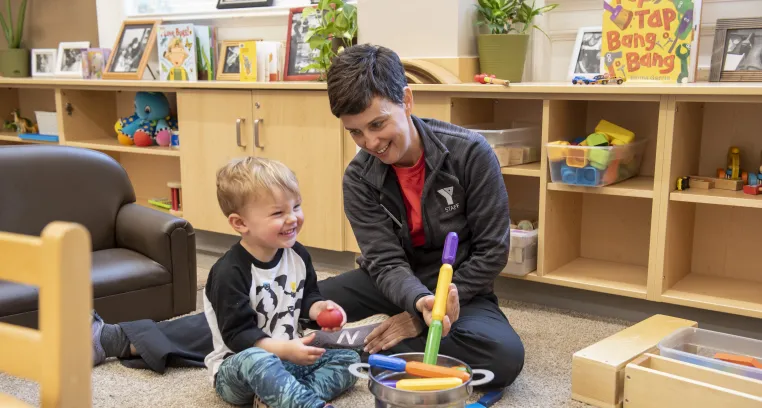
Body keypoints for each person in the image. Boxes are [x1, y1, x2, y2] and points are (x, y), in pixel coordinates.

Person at [92, 43, 525, 390]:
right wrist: (413, 302)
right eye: (355, 131)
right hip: (388, 279)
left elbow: (491, 251)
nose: (369, 141)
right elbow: (386, 261)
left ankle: (344, 346)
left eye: (378, 124)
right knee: (266, 301)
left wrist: (426, 313)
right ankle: (125, 338)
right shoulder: (359, 176)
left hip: (458, 289)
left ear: (406, 100)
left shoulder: (470, 154)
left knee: (503, 356)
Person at [130, 156, 369, 408]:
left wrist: (321, 309)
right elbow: (238, 336)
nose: (293, 218)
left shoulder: (297, 255)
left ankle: (282, 402)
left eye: (296, 206)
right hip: (238, 367)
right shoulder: (229, 272)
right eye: (278, 212)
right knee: (258, 360)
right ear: (240, 223)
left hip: (287, 357)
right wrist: (283, 349)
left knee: (349, 360)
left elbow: (308, 298)